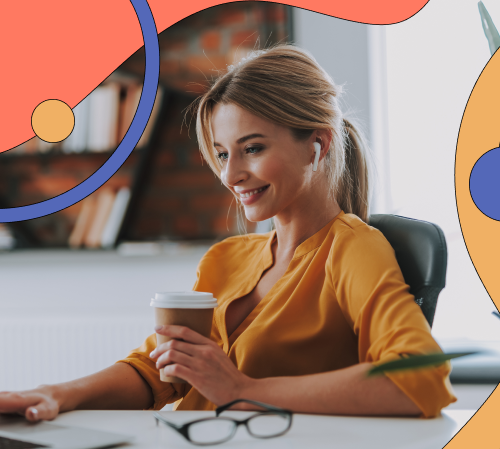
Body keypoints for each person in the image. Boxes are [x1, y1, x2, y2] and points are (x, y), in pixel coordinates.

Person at [0, 44, 456, 422]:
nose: (231, 175)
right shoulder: (227, 260)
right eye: (221, 154)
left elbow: (418, 380)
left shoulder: (352, 250)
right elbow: (162, 370)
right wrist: (56, 394)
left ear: (317, 146)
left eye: (252, 149)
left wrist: (243, 389)